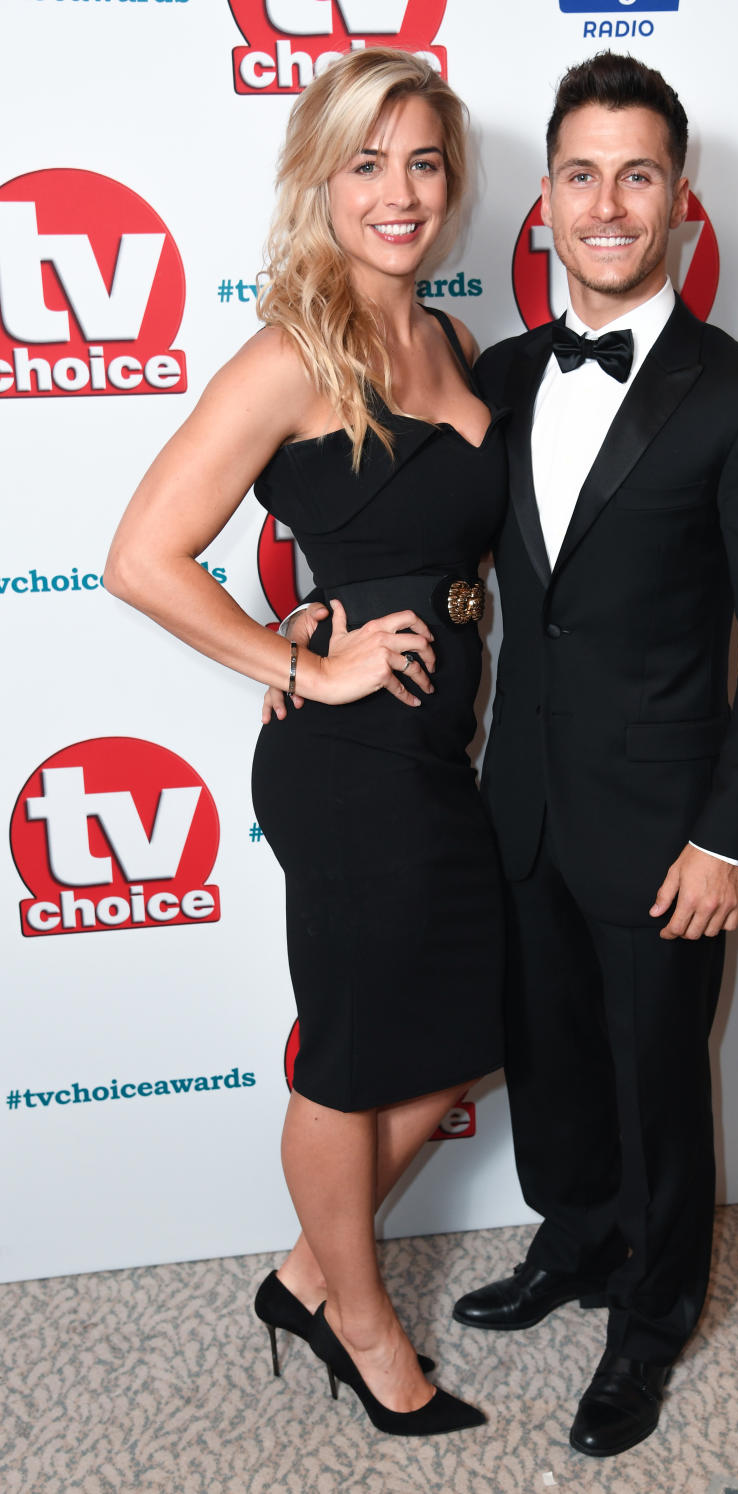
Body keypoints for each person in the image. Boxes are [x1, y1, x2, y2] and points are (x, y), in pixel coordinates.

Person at [104, 48, 508, 1438]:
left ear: (452, 184)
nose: (399, 194)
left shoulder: (452, 345)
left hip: (437, 750)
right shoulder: (294, 348)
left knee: (474, 1019)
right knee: (347, 1053)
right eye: (366, 162)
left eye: (424, 162)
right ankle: (364, 1319)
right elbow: (142, 555)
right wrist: (300, 662)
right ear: (320, 181)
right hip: (345, 768)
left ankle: (304, 1269)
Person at [447, 52, 738, 1458]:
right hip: (523, 802)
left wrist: (731, 836)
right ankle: (580, 1240)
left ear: (681, 198)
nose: (608, 203)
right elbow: (430, 549)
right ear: (543, 199)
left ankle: (654, 1316)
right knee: (552, 1060)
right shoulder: (494, 372)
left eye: (639, 174)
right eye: (581, 173)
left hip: (671, 824)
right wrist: (312, 623)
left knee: (660, 1077)